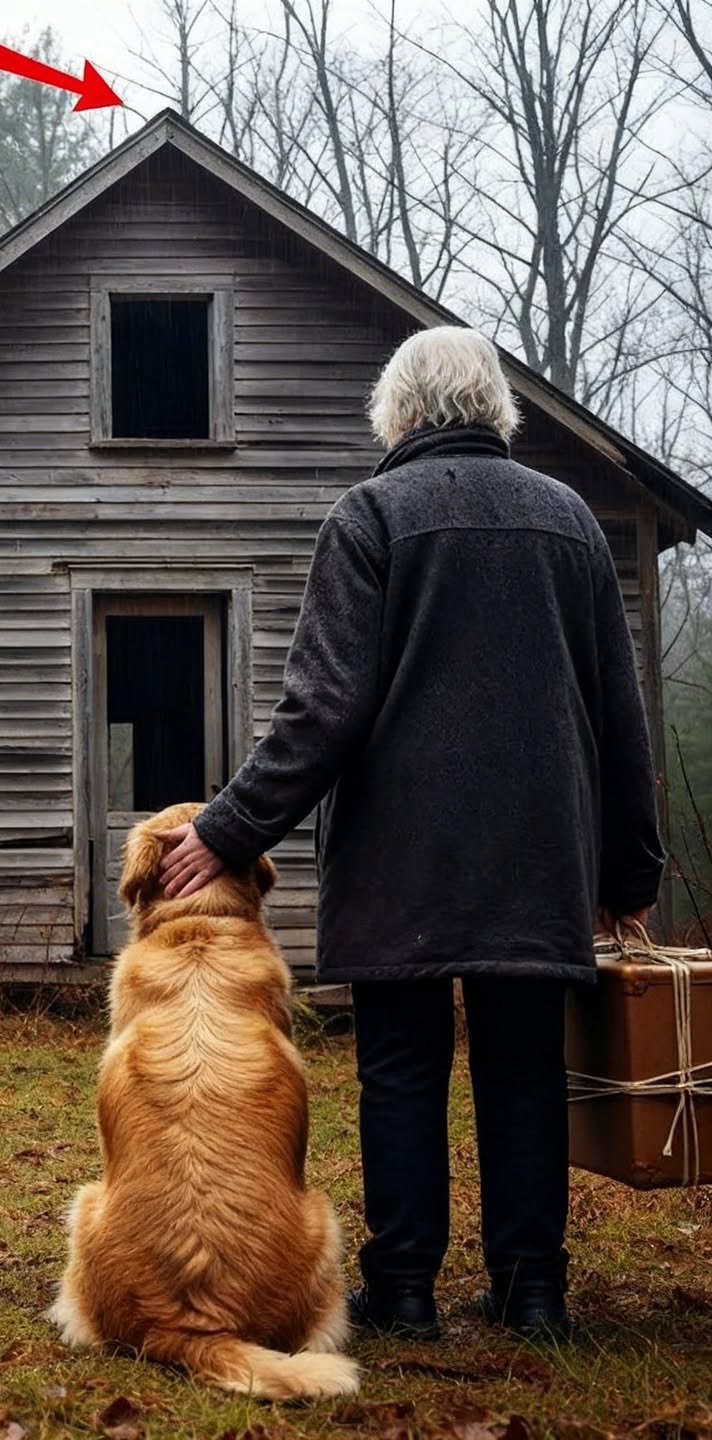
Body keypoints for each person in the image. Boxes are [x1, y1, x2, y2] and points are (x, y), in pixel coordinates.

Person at [154, 326, 665, 1342]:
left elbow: (322, 710)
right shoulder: (569, 522)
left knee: (402, 1066)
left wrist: (224, 829)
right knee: (522, 1067)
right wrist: (629, 865)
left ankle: (404, 1291)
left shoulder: (372, 515)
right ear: (496, 409)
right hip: (537, 856)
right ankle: (533, 1293)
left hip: (403, 855)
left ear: (398, 413)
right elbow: (619, 714)